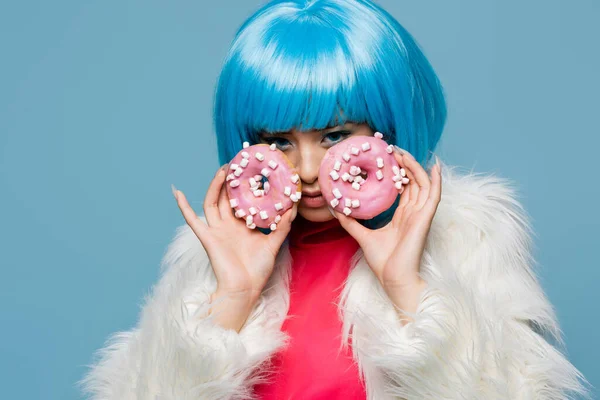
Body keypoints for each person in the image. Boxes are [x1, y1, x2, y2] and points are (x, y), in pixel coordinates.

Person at [79, 0, 590, 399]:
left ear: (386, 127)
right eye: (279, 141)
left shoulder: (468, 239)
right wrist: (233, 297)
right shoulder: (213, 256)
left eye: (334, 135)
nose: (304, 171)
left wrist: (407, 287)